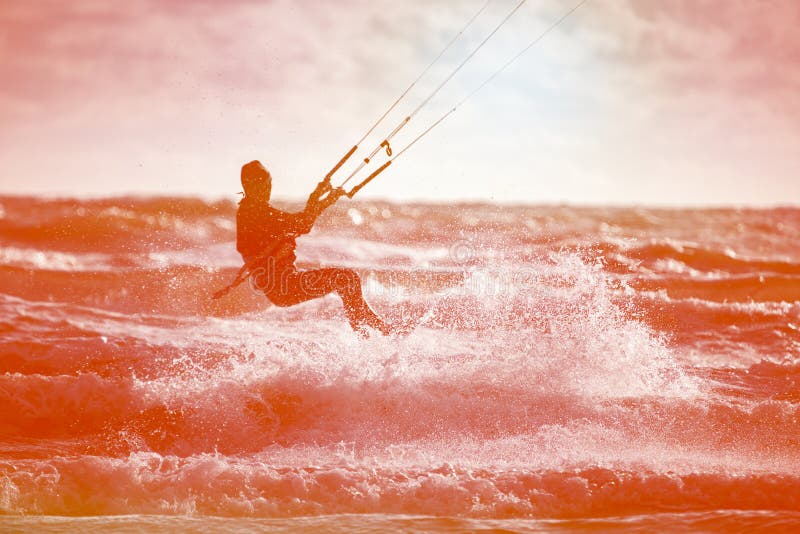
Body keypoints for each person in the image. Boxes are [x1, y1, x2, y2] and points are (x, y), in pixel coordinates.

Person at [234, 160, 395, 335]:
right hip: (285, 287)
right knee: (346, 278)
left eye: (269, 184)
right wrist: (318, 199)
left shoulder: (248, 211)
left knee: (346, 280)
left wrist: (320, 199)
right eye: (265, 184)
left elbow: (300, 223)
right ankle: (374, 333)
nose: (268, 189)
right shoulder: (257, 212)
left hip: (283, 286)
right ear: (251, 185)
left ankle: (377, 330)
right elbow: (303, 224)